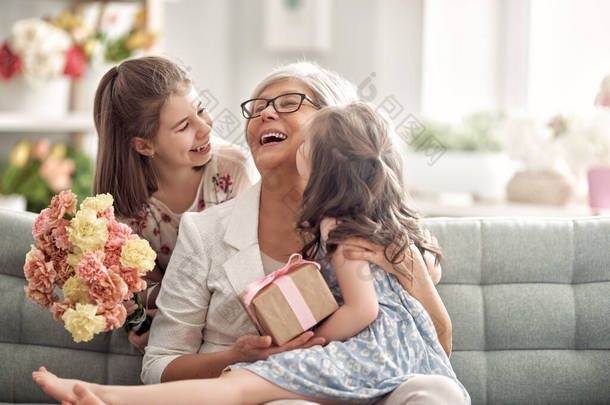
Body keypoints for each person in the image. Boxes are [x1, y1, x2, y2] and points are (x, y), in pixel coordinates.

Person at [32, 102, 469, 404]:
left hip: (372, 359)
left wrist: (308, 346)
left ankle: (109, 397)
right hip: (388, 359)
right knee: (240, 383)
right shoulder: (381, 218)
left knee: (240, 386)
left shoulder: (341, 227)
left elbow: (364, 310)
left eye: (290, 106)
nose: (265, 113)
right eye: (257, 105)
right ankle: (107, 395)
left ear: (324, 165)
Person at [92, 56, 257, 352]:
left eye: (201, 110)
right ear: (143, 145)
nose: (205, 128)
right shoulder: (126, 209)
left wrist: (165, 305)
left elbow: (247, 268)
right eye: (184, 126)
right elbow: (145, 291)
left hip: (236, 315)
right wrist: (148, 316)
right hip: (187, 325)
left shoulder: (233, 170)